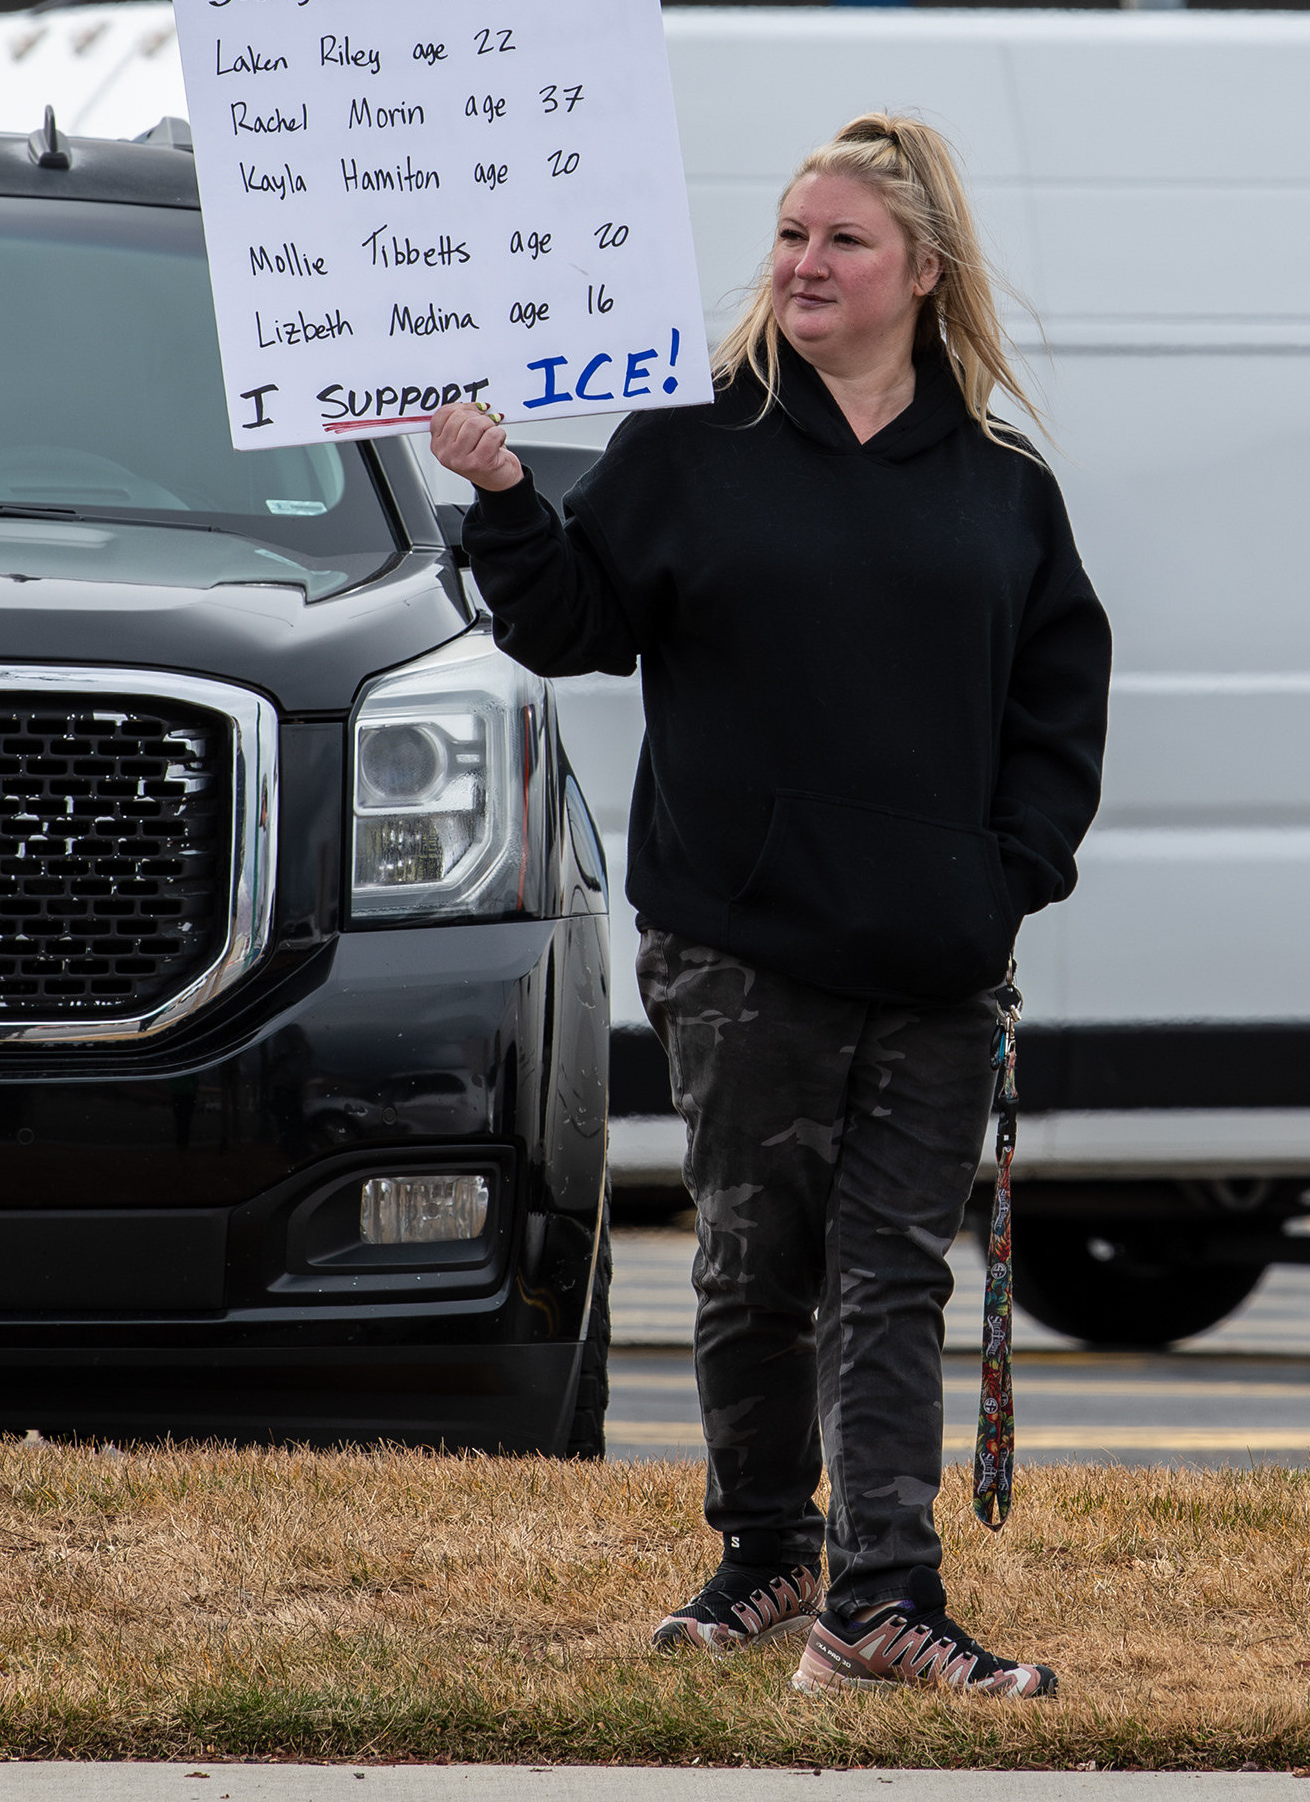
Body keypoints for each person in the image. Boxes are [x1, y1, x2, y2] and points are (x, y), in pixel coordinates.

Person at [431, 112, 1109, 1694]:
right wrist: (507, 491)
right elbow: (576, 625)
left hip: (936, 957)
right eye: (792, 237)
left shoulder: (1006, 491)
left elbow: (1060, 711)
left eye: (843, 241)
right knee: (752, 1261)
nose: (804, 264)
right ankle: (764, 1550)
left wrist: (1004, 876)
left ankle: (883, 1598)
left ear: (921, 273)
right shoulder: (694, 444)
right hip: (740, 950)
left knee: (894, 1275)